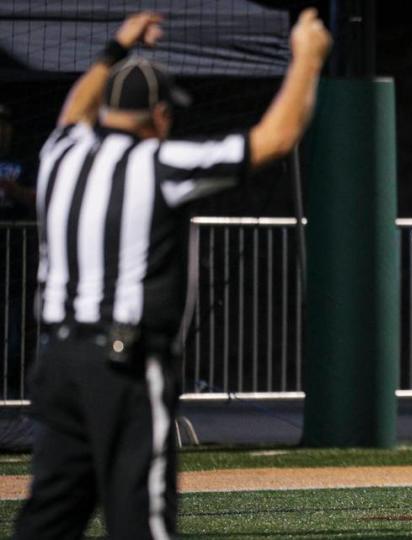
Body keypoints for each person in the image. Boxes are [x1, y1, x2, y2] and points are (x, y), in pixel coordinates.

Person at [14, 9, 331, 538]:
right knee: (144, 521)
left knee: (49, 518)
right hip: (123, 364)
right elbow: (274, 139)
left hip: (56, 361)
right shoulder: (158, 164)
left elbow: (74, 107)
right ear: (160, 114)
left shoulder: (60, 151)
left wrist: (116, 47)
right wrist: (308, 58)